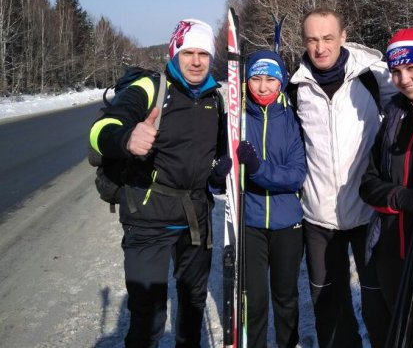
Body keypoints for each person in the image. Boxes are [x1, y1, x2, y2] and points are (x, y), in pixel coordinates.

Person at [89, 19, 229, 347]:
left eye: (204, 54)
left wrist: (218, 173)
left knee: (193, 306)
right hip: (147, 217)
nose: (196, 61)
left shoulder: (215, 98)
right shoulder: (151, 89)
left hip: (195, 217)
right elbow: (100, 130)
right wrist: (125, 137)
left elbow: (214, 157)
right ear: (175, 52)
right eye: (188, 52)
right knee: (149, 315)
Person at [288, 8, 397, 348]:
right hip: (319, 219)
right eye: (312, 40)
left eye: (327, 38)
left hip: (368, 213)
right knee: (330, 307)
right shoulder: (296, 88)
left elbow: (412, 106)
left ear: (343, 37)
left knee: (377, 300)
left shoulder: (373, 77)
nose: (320, 47)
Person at [359, 28, 413, 327]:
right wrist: (402, 197)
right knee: (397, 330)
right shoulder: (394, 114)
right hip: (391, 251)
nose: (404, 79)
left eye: (412, 68)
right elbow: (368, 184)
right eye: (395, 71)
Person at [237, 50, 307, 348]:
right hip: (249, 224)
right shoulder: (236, 119)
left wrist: (257, 169)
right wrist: (219, 175)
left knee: (286, 298)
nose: (263, 87)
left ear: (281, 82)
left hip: (287, 224)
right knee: (253, 302)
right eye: (255, 79)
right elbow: (222, 176)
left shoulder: (293, 119)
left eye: (270, 80)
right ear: (245, 81)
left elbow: (296, 174)